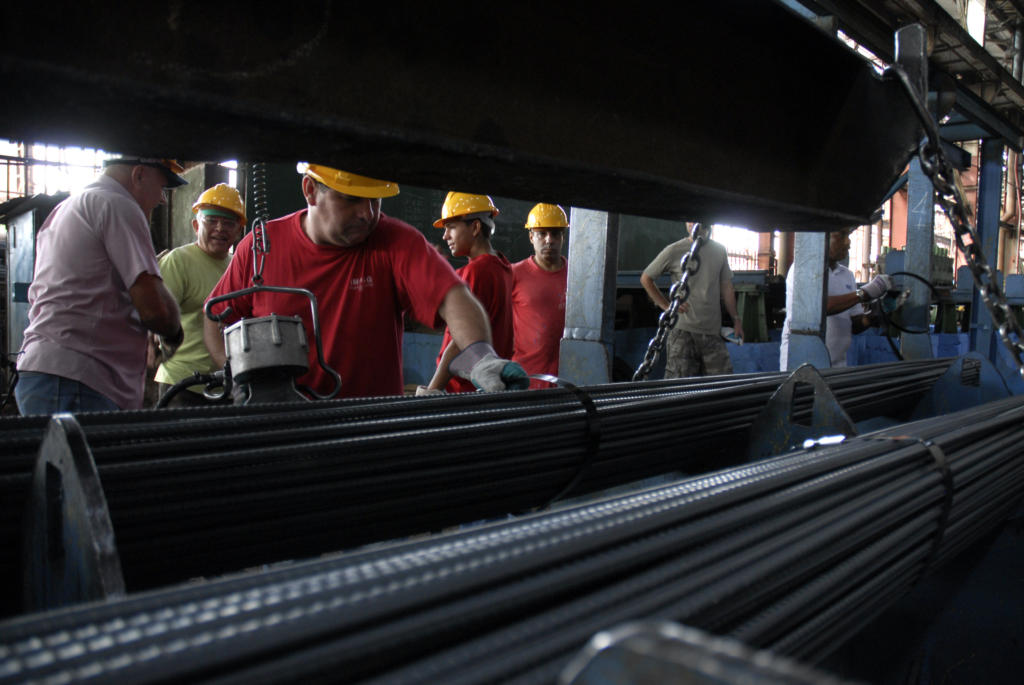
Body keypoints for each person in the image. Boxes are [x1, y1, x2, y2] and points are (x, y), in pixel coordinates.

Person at [204, 164, 527, 399]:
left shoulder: (394, 241)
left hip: (370, 429)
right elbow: (215, 317)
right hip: (284, 427)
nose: (367, 214)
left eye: (375, 200)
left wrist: (480, 358)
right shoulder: (261, 246)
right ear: (310, 190)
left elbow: (454, 299)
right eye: (351, 199)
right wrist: (237, 380)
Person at [15, 157, 186, 414]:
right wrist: (173, 334)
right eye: (161, 187)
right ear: (139, 175)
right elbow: (156, 311)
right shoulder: (119, 205)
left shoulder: (66, 208)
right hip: (80, 379)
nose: (162, 199)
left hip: (48, 373)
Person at [153, 183, 245, 406]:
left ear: (238, 230)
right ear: (196, 225)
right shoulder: (178, 262)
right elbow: (156, 320)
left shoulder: (238, 266)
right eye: (212, 220)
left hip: (225, 384)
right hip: (181, 383)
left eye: (229, 222)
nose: (220, 228)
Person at [425, 192, 515, 393]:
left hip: (464, 389)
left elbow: (461, 340)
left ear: (475, 227)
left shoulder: (477, 271)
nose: (445, 236)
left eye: (451, 227)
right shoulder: (503, 266)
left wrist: (433, 389)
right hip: (486, 386)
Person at [640, 225, 743, 377]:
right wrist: (666, 306)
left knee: (721, 387)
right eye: (689, 220)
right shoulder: (674, 250)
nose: (693, 224)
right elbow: (646, 278)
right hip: (682, 333)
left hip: (712, 333)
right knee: (679, 391)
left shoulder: (719, 251)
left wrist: (736, 319)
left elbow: (727, 287)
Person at [779, 229, 891, 369]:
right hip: (803, 362)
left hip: (837, 365)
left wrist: (874, 315)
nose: (848, 242)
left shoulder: (847, 275)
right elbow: (819, 307)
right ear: (821, 238)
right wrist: (864, 293)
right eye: (841, 235)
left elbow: (854, 325)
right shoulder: (803, 269)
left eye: (848, 236)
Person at [511, 203, 569, 389]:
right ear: (531, 237)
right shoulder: (514, 275)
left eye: (555, 233)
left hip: (567, 380)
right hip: (525, 381)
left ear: (563, 237)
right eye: (541, 233)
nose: (549, 240)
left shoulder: (578, 279)